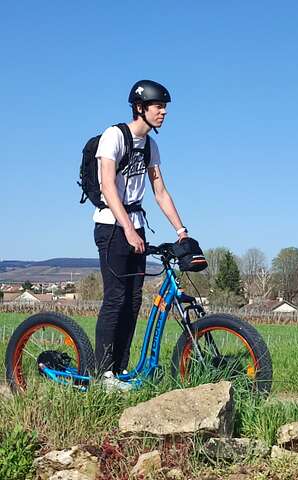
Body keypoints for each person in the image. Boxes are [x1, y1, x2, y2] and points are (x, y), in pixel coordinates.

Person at [93, 79, 188, 390]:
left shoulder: (150, 146)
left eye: (164, 107)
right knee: (115, 299)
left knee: (133, 301)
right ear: (140, 108)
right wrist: (128, 229)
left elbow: (160, 191)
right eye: (158, 106)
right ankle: (102, 374)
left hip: (136, 225)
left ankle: (119, 370)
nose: (163, 112)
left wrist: (181, 230)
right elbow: (108, 186)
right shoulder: (114, 137)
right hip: (111, 226)